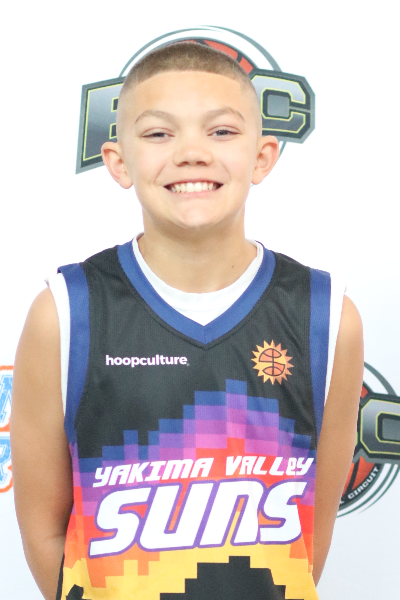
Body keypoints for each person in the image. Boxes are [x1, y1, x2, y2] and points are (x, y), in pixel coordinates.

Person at [11, 42, 363, 600]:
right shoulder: (66, 312)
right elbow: (45, 533)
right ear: (118, 162)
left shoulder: (325, 315)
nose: (192, 153)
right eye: (158, 133)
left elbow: (308, 542)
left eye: (221, 131)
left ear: (263, 157)